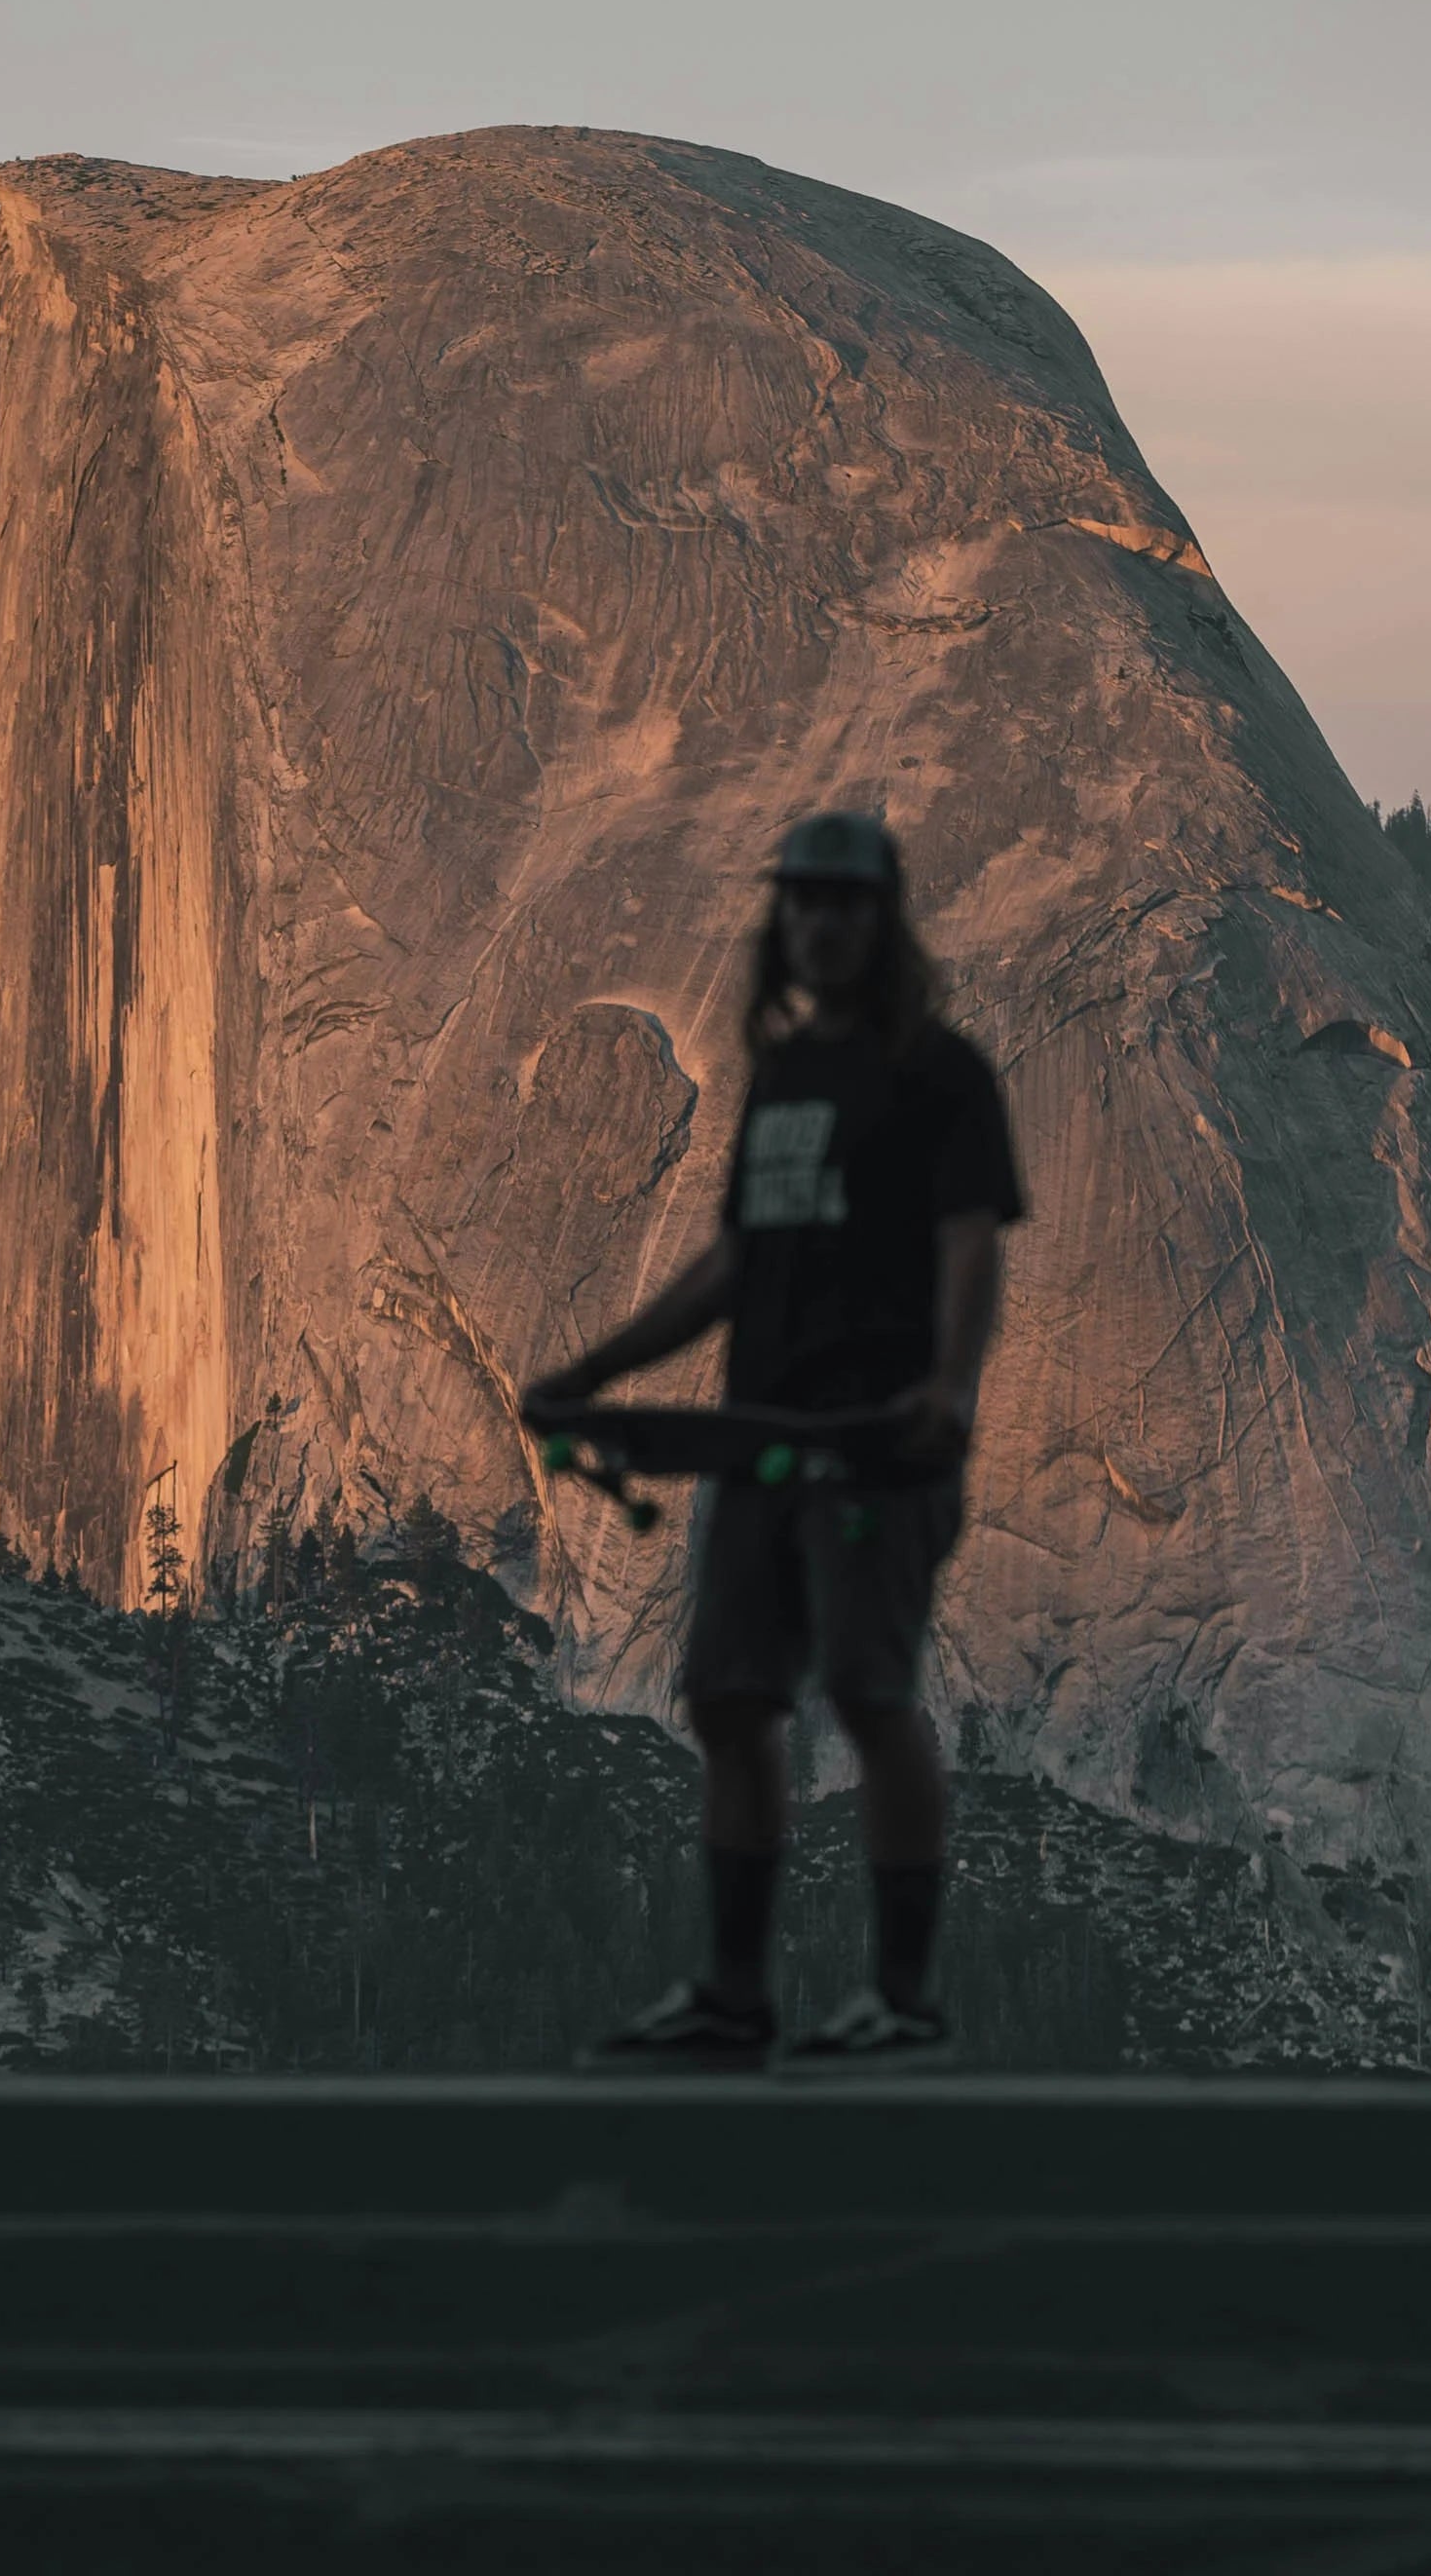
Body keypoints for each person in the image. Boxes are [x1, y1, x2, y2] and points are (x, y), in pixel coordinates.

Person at [521, 810, 1022, 2071]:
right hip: (760, 1442)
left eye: (844, 903)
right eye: (802, 901)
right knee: (732, 1702)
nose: (821, 922)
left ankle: (900, 1996)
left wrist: (951, 1390)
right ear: (783, 921)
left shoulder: (941, 1074)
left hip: (880, 1441)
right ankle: (734, 1995)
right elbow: (734, 1267)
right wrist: (600, 1367)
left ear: (883, 920)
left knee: (870, 1692)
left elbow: (972, 1242)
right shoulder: (786, 1085)